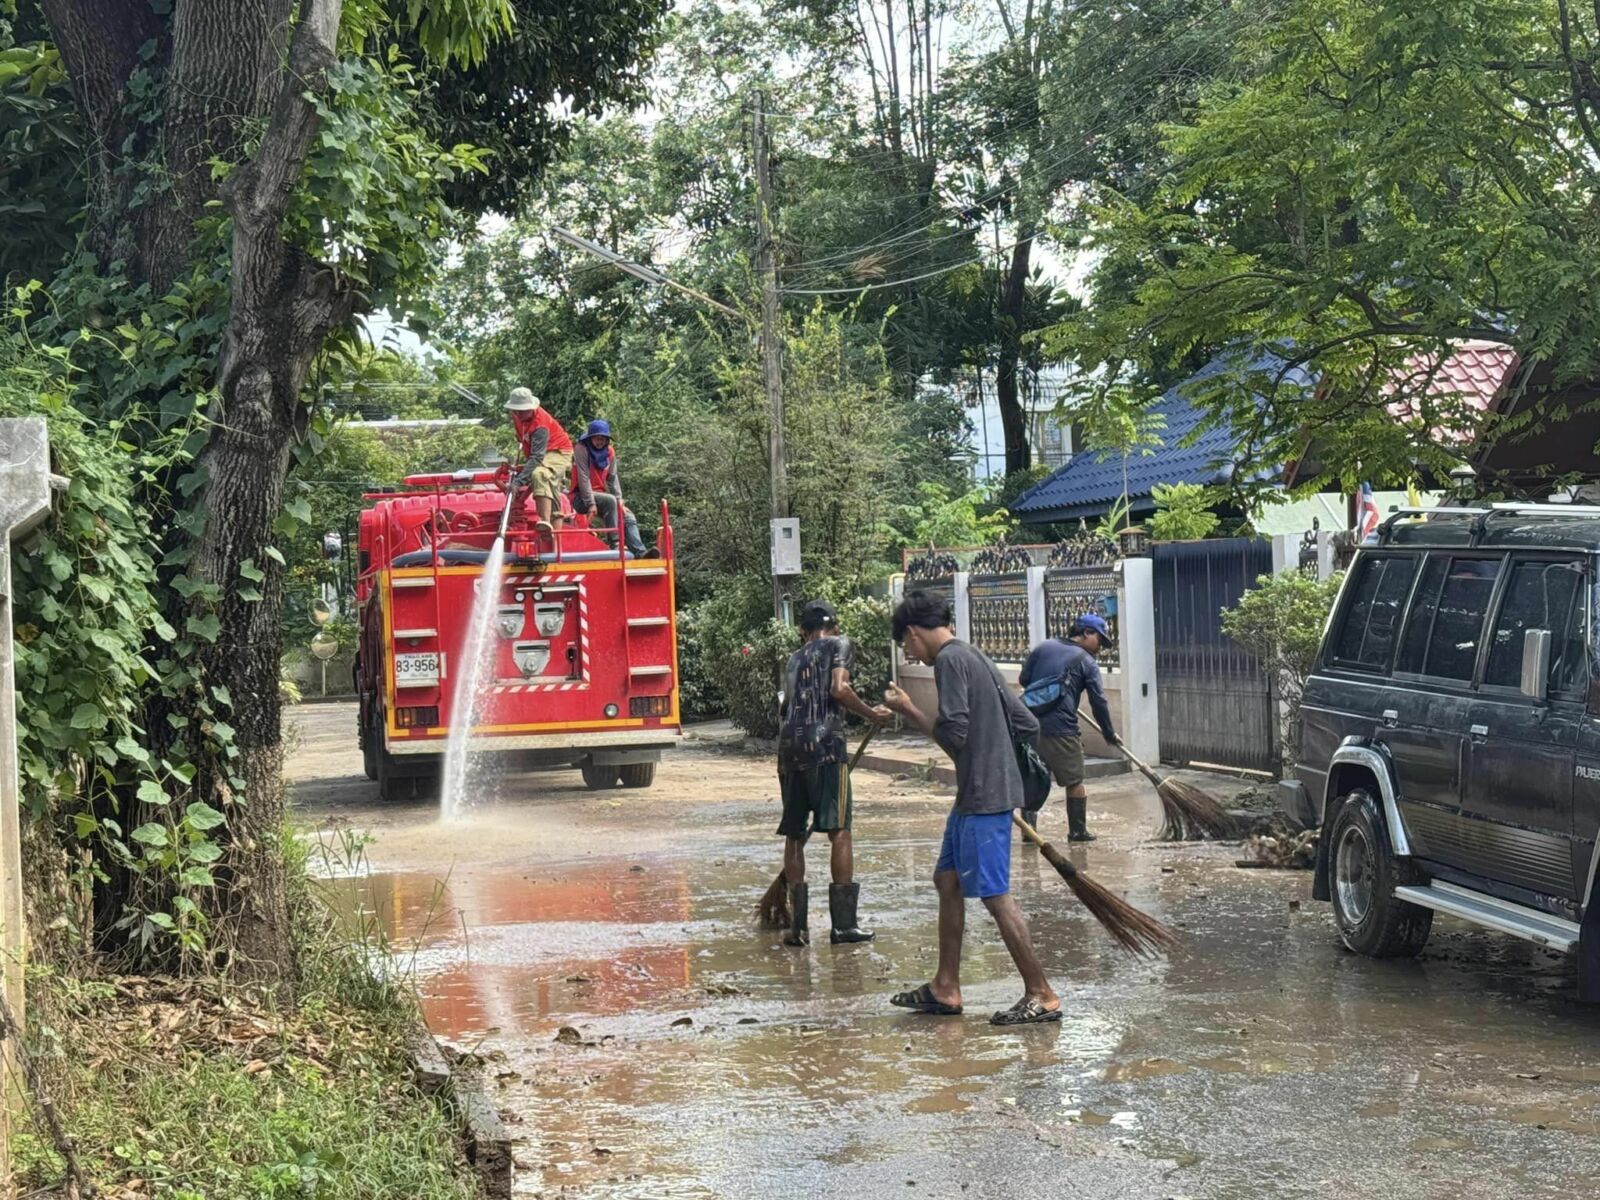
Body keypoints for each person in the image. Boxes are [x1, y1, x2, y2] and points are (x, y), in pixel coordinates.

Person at [882, 588, 1062, 1026]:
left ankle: (1042, 993)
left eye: (904, 644)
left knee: (995, 895)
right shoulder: (975, 656)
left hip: (983, 797)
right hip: (979, 794)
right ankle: (946, 987)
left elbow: (955, 734)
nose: (908, 652)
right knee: (947, 879)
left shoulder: (948, 661)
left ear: (912, 632)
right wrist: (998, 759)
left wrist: (910, 711)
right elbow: (1025, 722)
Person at [776, 599, 892, 947]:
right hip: (826, 748)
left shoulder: (794, 659)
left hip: (789, 751)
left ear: (803, 631)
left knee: (794, 834)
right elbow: (839, 689)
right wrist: (872, 714)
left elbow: (786, 706)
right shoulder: (840, 644)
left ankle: (798, 928)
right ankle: (843, 926)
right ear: (835, 626)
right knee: (840, 830)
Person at [1018, 613, 1118, 842]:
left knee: (1033, 778)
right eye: (1099, 640)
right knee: (1074, 781)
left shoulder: (1044, 647)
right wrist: (1109, 733)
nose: (1100, 647)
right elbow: (1098, 702)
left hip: (1029, 725)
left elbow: (1025, 680)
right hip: (1062, 730)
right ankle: (1078, 832)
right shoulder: (1087, 662)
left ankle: (1029, 833)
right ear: (1086, 633)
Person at [570, 419, 646, 556]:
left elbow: (612, 477)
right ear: (590, 438)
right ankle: (615, 543)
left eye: (603, 439)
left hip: (601, 497)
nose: (600, 442)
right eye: (597, 438)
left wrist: (620, 501)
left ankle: (641, 552)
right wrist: (591, 503)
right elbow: (583, 478)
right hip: (580, 497)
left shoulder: (609, 451)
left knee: (628, 516)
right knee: (610, 500)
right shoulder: (581, 449)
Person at [505, 388, 573, 531]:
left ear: (531, 407)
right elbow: (526, 444)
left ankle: (545, 522)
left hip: (559, 451)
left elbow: (537, 456)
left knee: (539, 474)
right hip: (542, 454)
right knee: (550, 487)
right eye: (516, 410)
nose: (518, 414)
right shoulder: (517, 416)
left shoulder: (540, 425)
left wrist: (518, 482)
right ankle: (554, 542)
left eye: (522, 411)